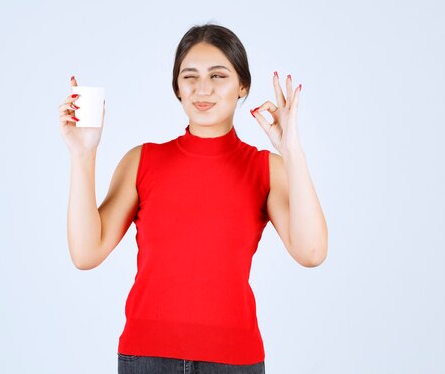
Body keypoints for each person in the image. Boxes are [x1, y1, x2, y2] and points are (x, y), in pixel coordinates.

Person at [58, 23, 328, 374]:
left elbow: (311, 252)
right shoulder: (141, 161)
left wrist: (291, 149)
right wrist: (82, 155)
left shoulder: (265, 168)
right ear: (177, 88)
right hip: (146, 359)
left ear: (242, 85)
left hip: (234, 361)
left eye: (218, 76)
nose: (203, 89)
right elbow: (85, 253)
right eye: (190, 76)